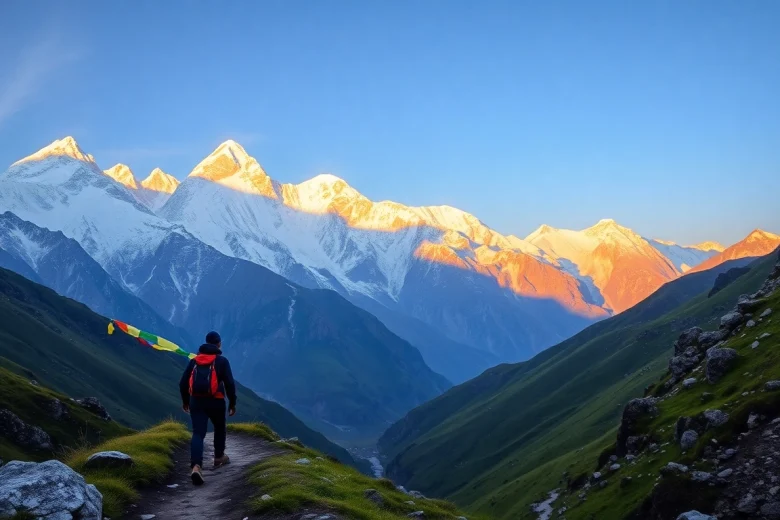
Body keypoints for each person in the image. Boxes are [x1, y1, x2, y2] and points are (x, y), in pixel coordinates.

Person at [179, 331, 237, 485]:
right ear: (219, 344)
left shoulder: (194, 361)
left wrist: (186, 401)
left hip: (196, 401)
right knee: (219, 427)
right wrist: (232, 403)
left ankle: (196, 466)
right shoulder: (222, 361)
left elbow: (183, 382)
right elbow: (230, 384)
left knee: (198, 433)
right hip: (216, 401)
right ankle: (218, 457)